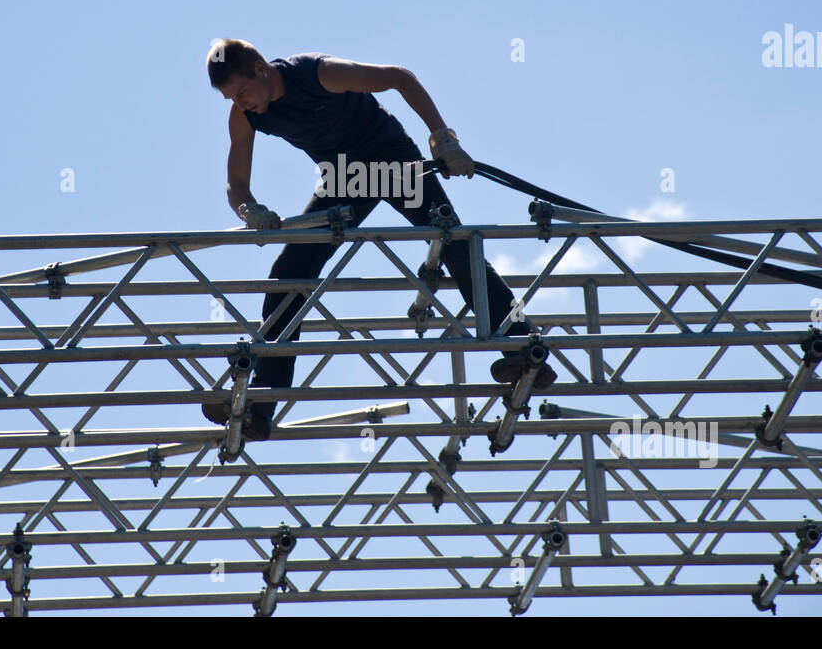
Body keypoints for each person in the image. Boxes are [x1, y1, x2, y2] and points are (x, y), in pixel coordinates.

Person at [202, 38, 556, 439]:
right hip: (345, 180)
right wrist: (249, 209)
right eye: (232, 98)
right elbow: (236, 183)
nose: (242, 103)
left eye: (243, 91)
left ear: (262, 69)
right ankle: (262, 403)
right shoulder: (245, 117)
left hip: (392, 161)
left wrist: (442, 137)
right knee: (290, 271)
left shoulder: (318, 73)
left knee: (454, 244)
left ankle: (524, 348)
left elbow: (399, 78)